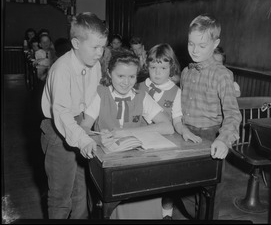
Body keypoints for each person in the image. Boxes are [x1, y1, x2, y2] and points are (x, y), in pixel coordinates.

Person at [79, 51, 174, 219]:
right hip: (108, 163)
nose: (126, 82)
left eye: (132, 77)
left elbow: (168, 127)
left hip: (136, 161)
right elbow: (84, 127)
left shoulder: (141, 96)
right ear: (109, 73)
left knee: (149, 190)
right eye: (120, 76)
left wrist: (127, 132)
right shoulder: (100, 94)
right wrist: (98, 139)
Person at [40, 12, 108, 219]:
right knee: (61, 195)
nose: (100, 53)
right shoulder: (61, 69)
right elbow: (61, 113)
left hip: (80, 125)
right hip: (57, 130)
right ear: (76, 43)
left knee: (80, 190)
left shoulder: (94, 64)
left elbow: (95, 97)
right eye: (95, 47)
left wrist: (92, 128)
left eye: (103, 47)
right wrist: (82, 139)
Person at [180, 14, 242, 219]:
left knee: (209, 196)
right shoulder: (186, 72)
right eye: (191, 44)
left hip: (210, 138)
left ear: (215, 43)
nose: (195, 50)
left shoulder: (222, 75)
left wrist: (224, 140)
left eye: (202, 45)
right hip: (185, 135)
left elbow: (233, 114)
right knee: (185, 191)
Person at [138, 43, 202, 219]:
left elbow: (176, 120)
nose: (157, 73)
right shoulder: (139, 87)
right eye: (153, 67)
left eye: (163, 68)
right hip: (141, 141)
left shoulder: (176, 91)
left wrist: (185, 132)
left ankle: (166, 213)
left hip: (164, 142)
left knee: (165, 182)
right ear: (147, 67)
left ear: (171, 68)